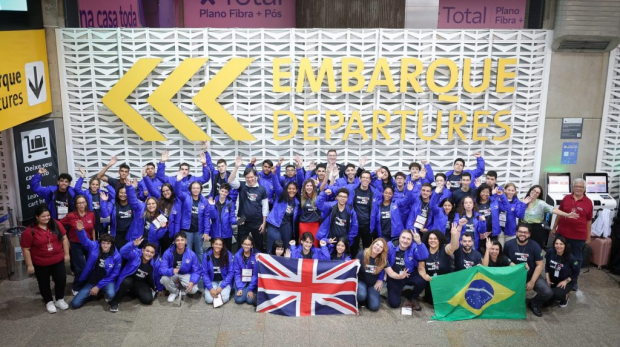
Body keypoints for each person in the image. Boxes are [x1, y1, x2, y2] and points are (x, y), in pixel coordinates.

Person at [21, 206, 70, 313]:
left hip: (58, 260)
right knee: (44, 282)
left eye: (48, 215)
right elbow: (26, 249)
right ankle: (48, 301)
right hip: (41, 263)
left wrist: (66, 254)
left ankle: (59, 299)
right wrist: (30, 265)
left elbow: (64, 238)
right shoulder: (30, 231)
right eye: (43, 216)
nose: (46, 218)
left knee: (61, 279)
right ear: (37, 217)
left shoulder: (56, 224)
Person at [552, 178, 593, 291]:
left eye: (581, 187)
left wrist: (588, 237)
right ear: (573, 187)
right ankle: (555, 277)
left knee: (576, 260)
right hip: (562, 234)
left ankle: (573, 280)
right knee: (557, 256)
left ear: (584, 189)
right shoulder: (566, 198)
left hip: (578, 236)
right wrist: (554, 227)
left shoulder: (588, 202)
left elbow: (589, 221)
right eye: (576, 186)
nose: (578, 188)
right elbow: (559, 214)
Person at [504, 223, 552, 317]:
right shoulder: (508, 244)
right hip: (515, 276)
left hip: (530, 275)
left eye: (525, 232)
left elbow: (539, 265)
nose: (523, 234)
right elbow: (503, 257)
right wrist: (510, 263)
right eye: (520, 231)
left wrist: (533, 281)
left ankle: (533, 303)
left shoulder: (535, 246)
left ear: (529, 234)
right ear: (516, 233)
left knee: (547, 292)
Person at [71, 226, 121, 309]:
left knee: (111, 295)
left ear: (111, 244)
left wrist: (98, 286)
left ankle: (99, 290)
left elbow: (114, 274)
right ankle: (96, 293)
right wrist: (80, 231)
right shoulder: (94, 246)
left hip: (107, 280)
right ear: (100, 243)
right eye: (103, 243)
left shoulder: (117, 256)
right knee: (75, 304)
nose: (105, 245)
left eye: (108, 243)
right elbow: (85, 241)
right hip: (93, 279)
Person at [109, 238, 161, 312]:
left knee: (148, 300)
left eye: (152, 252)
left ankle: (131, 292)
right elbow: (123, 251)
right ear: (143, 250)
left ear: (154, 254)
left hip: (141, 282)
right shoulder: (135, 255)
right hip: (129, 279)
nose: (149, 254)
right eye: (147, 251)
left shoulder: (155, 263)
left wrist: (160, 289)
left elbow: (156, 276)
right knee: (126, 282)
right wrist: (132, 245)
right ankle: (115, 301)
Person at [229, 156, 269, 252]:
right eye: (247, 177)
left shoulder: (262, 189)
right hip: (242, 220)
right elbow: (230, 180)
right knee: (240, 245)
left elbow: (265, 208)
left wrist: (264, 223)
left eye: (251, 177)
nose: (250, 179)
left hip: (258, 221)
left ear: (256, 176)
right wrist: (236, 167)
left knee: (258, 245)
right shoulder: (242, 186)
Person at [384, 229, 429, 310]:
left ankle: (413, 297)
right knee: (394, 304)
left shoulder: (414, 246)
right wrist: (384, 275)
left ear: (411, 241)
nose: (405, 241)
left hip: (409, 274)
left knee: (422, 279)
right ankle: (400, 292)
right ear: (399, 238)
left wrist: (419, 242)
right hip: (395, 275)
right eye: (403, 238)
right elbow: (382, 262)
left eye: (408, 239)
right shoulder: (390, 246)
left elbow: (424, 256)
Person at [522, 185, 578, 249]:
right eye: (534, 191)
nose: (535, 193)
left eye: (537, 192)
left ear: (539, 195)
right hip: (523, 227)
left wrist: (567, 214)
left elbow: (553, 210)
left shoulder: (541, 203)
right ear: (530, 190)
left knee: (535, 248)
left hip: (536, 228)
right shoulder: (523, 200)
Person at [59, 194, 96, 293]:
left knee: (91, 265)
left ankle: (88, 285)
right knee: (80, 268)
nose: (81, 205)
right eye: (79, 203)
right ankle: (76, 287)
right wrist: (65, 237)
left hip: (89, 244)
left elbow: (92, 229)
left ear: (86, 203)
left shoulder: (91, 214)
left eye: (83, 202)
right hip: (76, 244)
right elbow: (59, 224)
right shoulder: (71, 216)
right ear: (75, 205)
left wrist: (94, 242)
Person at [417, 225, 462, 304]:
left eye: (435, 239)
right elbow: (421, 267)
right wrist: (424, 275)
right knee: (431, 302)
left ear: (439, 240)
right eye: (430, 239)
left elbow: (453, 246)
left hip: (446, 282)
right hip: (432, 283)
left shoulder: (445, 248)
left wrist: (454, 235)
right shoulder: (424, 251)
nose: (432, 240)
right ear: (427, 240)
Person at [143, 171, 183, 251]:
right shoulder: (160, 199)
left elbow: (177, 222)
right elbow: (151, 189)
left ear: (171, 191)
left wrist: (176, 236)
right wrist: (145, 177)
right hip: (158, 231)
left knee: (168, 253)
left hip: (169, 233)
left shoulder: (177, 203)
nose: (165, 193)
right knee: (156, 252)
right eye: (163, 191)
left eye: (167, 190)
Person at [125, 179, 168, 250]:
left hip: (150, 246)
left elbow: (158, 236)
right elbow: (133, 200)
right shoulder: (141, 209)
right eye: (149, 204)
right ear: (146, 205)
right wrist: (130, 188)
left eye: (153, 204)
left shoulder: (160, 216)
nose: (151, 206)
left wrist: (163, 228)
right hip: (136, 243)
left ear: (157, 205)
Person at [159, 231, 202, 304]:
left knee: (193, 290)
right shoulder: (168, 252)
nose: (180, 242)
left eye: (182, 240)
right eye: (178, 240)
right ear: (175, 242)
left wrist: (192, 282)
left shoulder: (191, 254)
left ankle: (183, 289)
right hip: (172, 274)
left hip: (185, 274)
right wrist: (171, 271)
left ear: (186, 241)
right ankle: (174, 292)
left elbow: (196, 271)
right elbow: (162, 269)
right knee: (163, 279)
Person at [176, 181, 210, 263]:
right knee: (187, 251)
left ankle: (201, 270)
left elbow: (207, 217)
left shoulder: (204, 201)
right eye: (193, 188)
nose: (195, 190)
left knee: (199, 251)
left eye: (197, 188)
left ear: (201, 189)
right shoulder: (186, 197)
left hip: (199, 231)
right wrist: (177, 181)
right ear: (190, 189)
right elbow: (177, 191)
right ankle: (188, 269)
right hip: (187, 230)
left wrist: (206, 232)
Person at [545, 235, 579, 307]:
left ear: (565, 245)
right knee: (543, 292)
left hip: (566, 281)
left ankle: (565, 297)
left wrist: (566, 281)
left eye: (561, 244)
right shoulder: (550, 252)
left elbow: (576, 272)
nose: (558, 246)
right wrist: (547, 279)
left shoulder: (571, 258)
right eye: (556, 244)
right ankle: (554, 290)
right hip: (552, 279)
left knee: (556, 294)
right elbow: (547, 266)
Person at [356, 238, 388, 312]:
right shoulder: (362, 254)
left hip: (373, 283)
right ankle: (362, 297)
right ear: (373, 244)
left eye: (381, 247)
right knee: (361, 295)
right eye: (377, 244)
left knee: (374, 307)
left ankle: (368, 296)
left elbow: (383, 270)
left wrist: (380, 280)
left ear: (382, 250)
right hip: (361, 281)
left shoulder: (382, 259)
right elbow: (355, 268)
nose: (378, 248)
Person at [266, 180, 299, 252]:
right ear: (286, 189)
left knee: (287, 246)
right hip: (274, 224)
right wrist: (274, 174)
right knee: (273, 245)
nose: (291, 191)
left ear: (296, 190)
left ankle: (285, 262)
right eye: (289, 188)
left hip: (286, 226)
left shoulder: (297, 202)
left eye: (293, 189)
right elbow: (276, 185)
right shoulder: (280, 196)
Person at [74, 167, 105, 238]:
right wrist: (83, 175)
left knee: (103, 239)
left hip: (101, 220)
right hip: (90, 220)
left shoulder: (102, 194)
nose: (94, 186)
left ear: (99, 186)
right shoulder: (86, 194)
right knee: (92, 239)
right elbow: (77, 188)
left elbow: (113, 194)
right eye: (93, 184)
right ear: (90, 185)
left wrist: (108, 186)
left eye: (96, 185)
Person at [202, 238, 234, 305]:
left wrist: (221, 287)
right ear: (212, 244)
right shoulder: (206, 255)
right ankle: (214, 295)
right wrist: (210, 288)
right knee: (209, 300)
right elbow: (204, 273)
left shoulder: (228, 255)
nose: (218, 246)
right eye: (216, 244)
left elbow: (231, 272)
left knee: (224, 298)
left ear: (222, 246)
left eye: (220, 245)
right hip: (211, 281)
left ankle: (222, 293)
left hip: (224, 281)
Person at [475, 184, 505, 252]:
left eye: (487, 192)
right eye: (483, 191)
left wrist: (501, 195)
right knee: (480, 253)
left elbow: (506, 208)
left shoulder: (494, 201)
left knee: (492, 252)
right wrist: (480, 233)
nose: (485, 194)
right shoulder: (474, 203)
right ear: (479, 192)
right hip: (479, 233)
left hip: (492, 233)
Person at [100, 186, 133, 250]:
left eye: (125, 193)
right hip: (116, 235)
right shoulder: (113, 203)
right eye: (121, 192)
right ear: (117, 194)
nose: (123, 195)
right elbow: (105, 216)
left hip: (129, 235)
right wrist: (104, 202)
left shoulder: (132, 204)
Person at [233, 236, 260, 305]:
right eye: (244, 244)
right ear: (242, 244)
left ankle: (250, 290)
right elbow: (237, 273)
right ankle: (241, 290)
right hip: (242, 280)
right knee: (239, 300)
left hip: (252, 281)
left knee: (250, 301)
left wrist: (250, 289)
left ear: (251, 246)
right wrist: (240, 288)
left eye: (248, 245)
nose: (246, 246)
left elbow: (255, 274)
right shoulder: (237, 256)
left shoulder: (256, 256)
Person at [298, 179, 322, 247]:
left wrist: (319, 184)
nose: (309, 187)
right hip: (303, 224)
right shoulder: (301, 197)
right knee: (303, 244)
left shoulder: (318, 196)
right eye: (307, 185)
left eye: (311, 185)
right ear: (304, 187)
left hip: (315, 224)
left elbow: (324, 189)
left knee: (314, 244)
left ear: (314, 187)